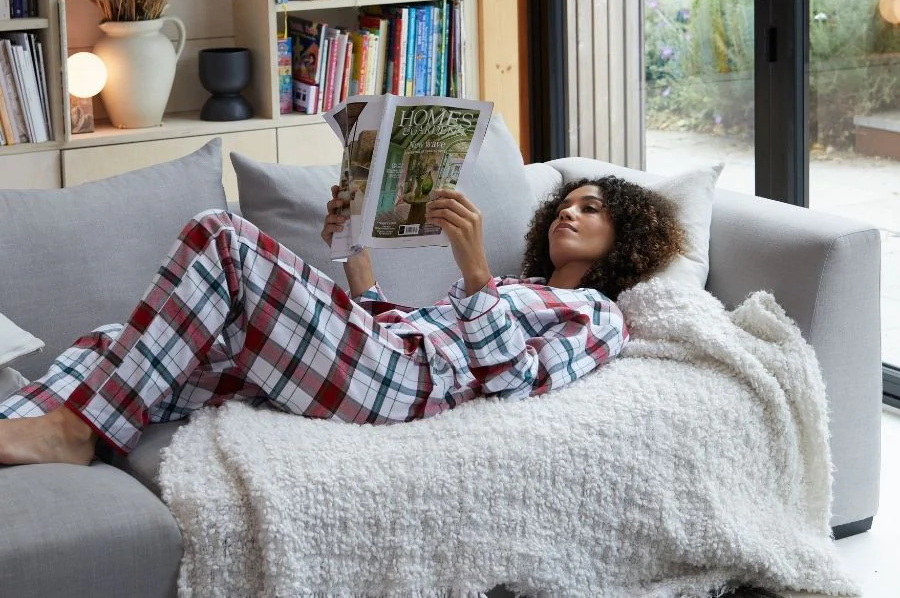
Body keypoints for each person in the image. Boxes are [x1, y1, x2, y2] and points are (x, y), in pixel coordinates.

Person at [0, 175, 684, 467]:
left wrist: (475, 272)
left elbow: (513, 382)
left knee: (223, 236)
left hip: (409, 386)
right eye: (565, 204)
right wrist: (352, 248)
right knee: (117, 343)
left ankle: (74, 433)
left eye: (591, 208)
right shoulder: (518, 287)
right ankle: (20, 427)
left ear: (623, 238)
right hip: (385, 356)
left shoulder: (600, 316)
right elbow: (391, 322)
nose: (570, 212)